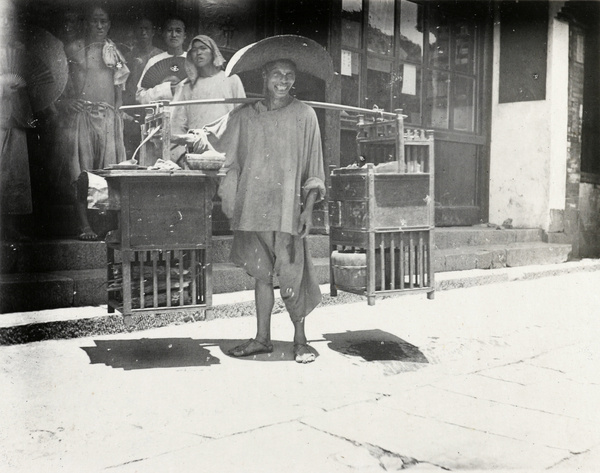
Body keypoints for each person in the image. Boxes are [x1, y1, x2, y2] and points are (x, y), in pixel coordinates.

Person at [180, 36, 333, 363]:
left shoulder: (305, 116)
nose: (283, 80)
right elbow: (215, 143)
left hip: (288, 211)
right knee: (262, 276)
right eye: (277, 73)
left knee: (292, 277)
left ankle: (300, 340)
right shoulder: (245, 115)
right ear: (264, 77)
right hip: (254, 210)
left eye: (289, 74)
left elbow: (314, 170)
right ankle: (262, 337)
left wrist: (307, 210)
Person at [56, 4, 129, 240]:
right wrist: (67, 102)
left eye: (104, 22)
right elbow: (58, 86)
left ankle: (105, 223)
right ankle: (84, 225)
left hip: (108, 118)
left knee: (108, 172)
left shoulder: (114, 53)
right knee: (82, 172)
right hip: (82, 117)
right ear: (86, 23)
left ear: (109, 24)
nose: (99, 26)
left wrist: (117, 114)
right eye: (95, 21)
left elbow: (119, 87)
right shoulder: (73, 49)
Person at [170, 34, 245, 162]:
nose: (198, 53)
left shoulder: (231, 80)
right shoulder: (185, 86)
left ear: (213, 52)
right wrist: (181, 156)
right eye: (194, 50)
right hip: (196, 152)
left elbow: (242, 118)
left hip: (227, 150)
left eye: (203, 48)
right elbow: (176, 125)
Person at [0, 1, 33, 240]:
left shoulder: (19, 51)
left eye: (10, 19)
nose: (5, 24)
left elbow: (29, 83)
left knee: (15, 174)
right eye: (1, 18)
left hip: (16, 117)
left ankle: (10, 226)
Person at [122, 16, 163, 157]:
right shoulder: (127, 56)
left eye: (147, 29)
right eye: (140, 29)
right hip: (130, 112)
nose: (143, 32)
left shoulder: (160, 56)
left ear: (153, 32)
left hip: (152, 111)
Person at [135, 17, 186, 105]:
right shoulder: (154, 61)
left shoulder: (192, 60)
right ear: (163, 34)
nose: (174, 35)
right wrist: (167, 89)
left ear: (185, 35)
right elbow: (140, 97)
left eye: (178, 31)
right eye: (169, 30)